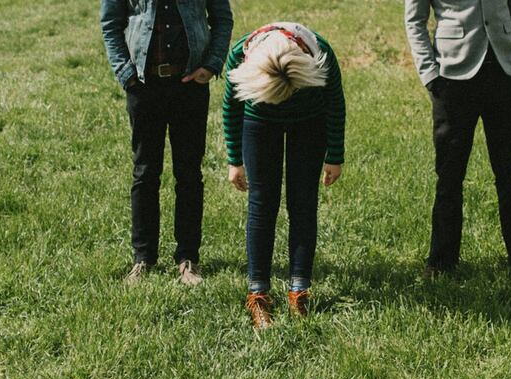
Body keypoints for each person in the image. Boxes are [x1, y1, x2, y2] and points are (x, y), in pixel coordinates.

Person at [101, 0, 233, 285]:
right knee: (145, 172)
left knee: (188, 173)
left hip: (190, 86)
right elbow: (111, 23)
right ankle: (143, 259)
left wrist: (211, 65)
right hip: (143, 87)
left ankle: (188, 260)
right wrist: (125, 72)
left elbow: (222, 19)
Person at [223, 23, 346, 329]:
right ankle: (258, 293)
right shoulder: (241, 54)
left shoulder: (321, 54)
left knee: (303, 202)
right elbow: (231, 108)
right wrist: (234, 160)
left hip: (310, 124)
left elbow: (334, 104)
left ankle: (299, 289)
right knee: (262, 204)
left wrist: (335, 155)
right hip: (259, 125)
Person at [405, 0, 511, 274]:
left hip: (507, 73)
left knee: (510, 173)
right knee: (450, 175)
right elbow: (415, 20)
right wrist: (430, 74)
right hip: (453, 78)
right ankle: (441, 263)